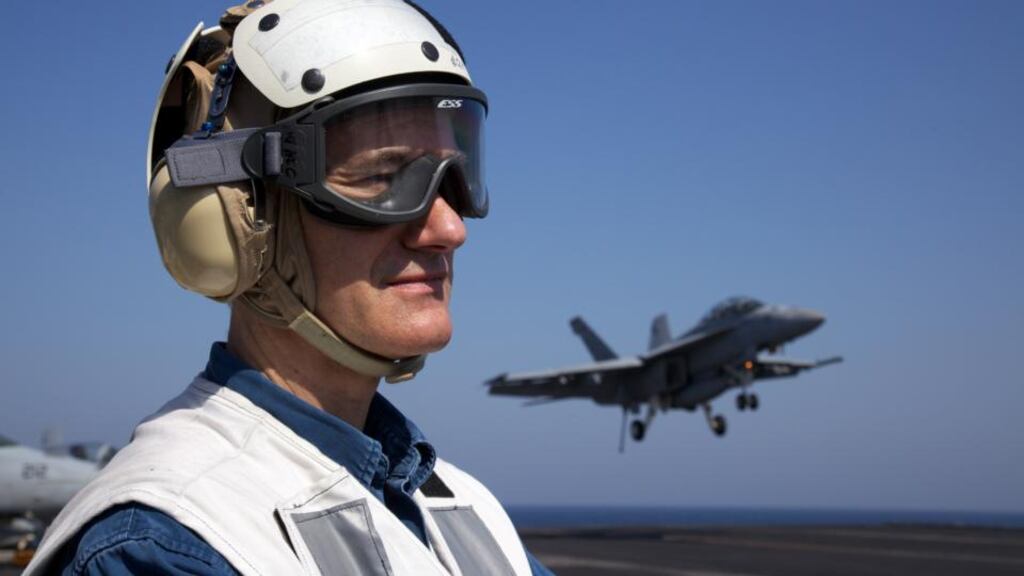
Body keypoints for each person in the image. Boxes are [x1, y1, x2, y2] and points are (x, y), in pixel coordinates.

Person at [25, 1, 554, 574]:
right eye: (382, 176)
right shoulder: (168, 541)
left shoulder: (462, 508)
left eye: (455, 176)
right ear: (235, 218)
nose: (449, 229)